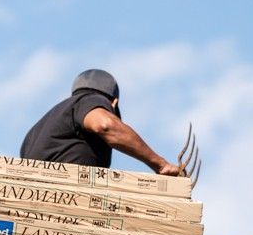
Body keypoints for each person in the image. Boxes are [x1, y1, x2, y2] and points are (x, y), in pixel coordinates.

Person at [19, 69, 183, 175]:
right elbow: (105, 125)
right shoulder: (90, 100)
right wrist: (160, 164)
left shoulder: (32, 136)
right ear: (114, 103)